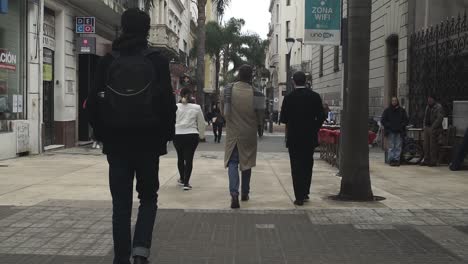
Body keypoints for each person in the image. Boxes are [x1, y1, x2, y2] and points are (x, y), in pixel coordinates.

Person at [86, 9, 176, 264]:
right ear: (147, 30)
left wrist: (103, 135)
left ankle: (121, 258)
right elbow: (168, 103)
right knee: (148, 198)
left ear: (123, 28)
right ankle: (140, 252)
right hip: (148, 143)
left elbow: (92, 103)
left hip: (117, 144)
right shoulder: (157, 60)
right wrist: (164, 137)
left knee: (121, 205)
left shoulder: (109, 60)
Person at [280, 71, 326, 206]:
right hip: (309, 137)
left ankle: (298, 196)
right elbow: (322, 116)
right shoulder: (315, 96)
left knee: (296, 166)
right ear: (306, 81)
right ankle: (305, 192)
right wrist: (314, 127)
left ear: (294, 81)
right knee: (307, 164)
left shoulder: (289, 97)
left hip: (294, 137)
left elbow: (283, 119)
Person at [222, 65, 264, 209]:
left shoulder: (227, 90)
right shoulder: (257, 93)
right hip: (249, 134)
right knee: (246, 163)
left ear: (238, 74)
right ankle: (245, 193)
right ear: (250, 76)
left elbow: (224, 112)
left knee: (233, 163)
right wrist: (260, 129)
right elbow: (260, 117)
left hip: (233, 133)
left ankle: (234, 193)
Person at [174, 88, 205, 190]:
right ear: (191, 95)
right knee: (189, 159)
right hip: (191, 135)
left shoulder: (175, 107)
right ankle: (186, 184)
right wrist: (201, 135)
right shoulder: (196, 107)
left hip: (177, 134)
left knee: (180, 157)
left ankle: (182, 179)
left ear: (180, 95)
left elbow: (171, 121)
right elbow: (201, 123)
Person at [381, 97, 409, 166]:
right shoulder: (387, 110)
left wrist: (401, 125)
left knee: (398, 146)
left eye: (395, 100)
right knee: (391, 146)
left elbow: (406, 120)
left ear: (397, 101)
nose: (394, 102)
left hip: (399, 131)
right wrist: (389, 125)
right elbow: (383, 120)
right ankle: (391, 160)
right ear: (391, 101)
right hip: (391, 131)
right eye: (393, 100)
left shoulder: (402, 110)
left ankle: (396, 160)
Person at [421, 95, 444, 167]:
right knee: (426, 145)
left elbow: (439, 118)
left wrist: (433, 127)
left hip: (434, 129)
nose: (429, 101)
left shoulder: (438, 107)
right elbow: (425, 117)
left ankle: (433, 161)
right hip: (427, 128)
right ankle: (426, 159)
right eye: (428, 99)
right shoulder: (427, 107)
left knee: (432, 145)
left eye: (430, 99)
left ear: (434, 100)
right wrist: (424, 126)